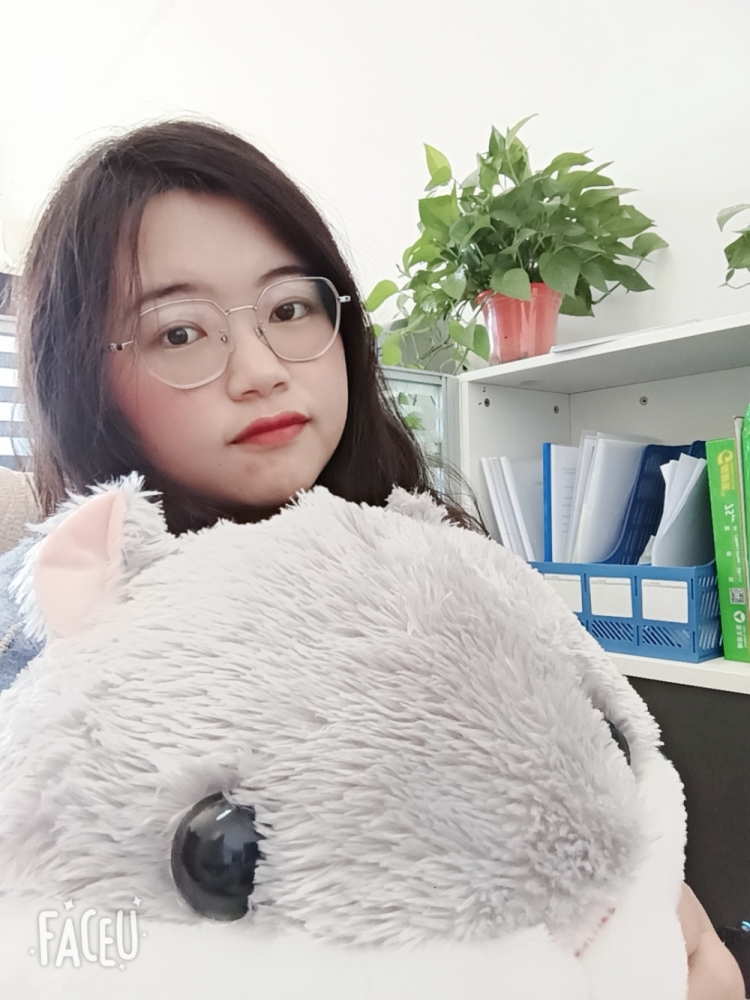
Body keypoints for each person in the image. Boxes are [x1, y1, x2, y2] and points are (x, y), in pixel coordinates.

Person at [0, 120, 744, 999]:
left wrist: (660, 926)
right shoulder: (60, 657)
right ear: (83, 378)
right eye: (180, 333)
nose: (261, 369)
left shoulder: (439, 554)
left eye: (289, 309)